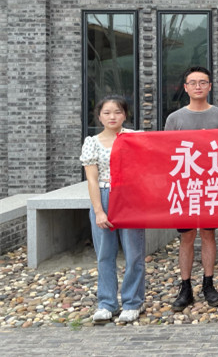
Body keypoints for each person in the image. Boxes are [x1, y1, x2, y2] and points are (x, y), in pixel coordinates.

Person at [165, 66, 218, 311]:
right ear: (185, 88)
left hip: (211, 184)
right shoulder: (175, 119)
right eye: (192, 83)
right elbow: (166, 153)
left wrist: (210, 142)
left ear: (210, 86)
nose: (198, 86)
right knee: (186, 236)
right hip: (185, 187)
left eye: (203, 82)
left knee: (208, 234)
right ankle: (185, 287)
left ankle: (208, 283)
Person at [81, 95, 146, 324]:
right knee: (104, 254)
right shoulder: (92, 142)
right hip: (103, 195)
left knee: (134, 253)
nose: (112, 117)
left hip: (130, 198)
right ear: (99, 116)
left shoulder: (135, 138)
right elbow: (91, 179)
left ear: (125, 115)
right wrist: (99, 211)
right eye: (107, 112)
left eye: (117, 112)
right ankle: (107, 303)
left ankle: (133, 302)